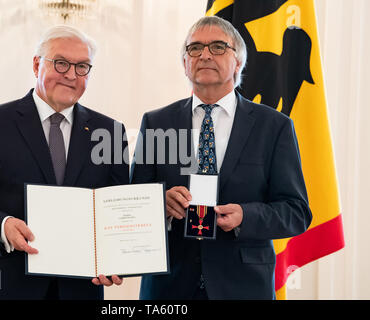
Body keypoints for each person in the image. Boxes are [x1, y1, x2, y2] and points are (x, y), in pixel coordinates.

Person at [130, 16, 312, 300]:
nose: (204, 54)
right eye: (195, 48)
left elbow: (296, 212)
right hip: (168, 287)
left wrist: (245, 216)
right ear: (185, 63)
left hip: (244, 286)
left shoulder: (273, 127)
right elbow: (132, 201)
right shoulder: (156, 122)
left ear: (238, 62)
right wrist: (160, 203)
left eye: (217, 47)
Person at [0, 25, 129, 299]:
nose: (71, 75)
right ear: (36, 64)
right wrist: (2, 225)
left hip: (78, 289)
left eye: (82, 67)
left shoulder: (110, 132)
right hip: (2, 286)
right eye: (61, 63)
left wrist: (117, 256)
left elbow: (118, 208)